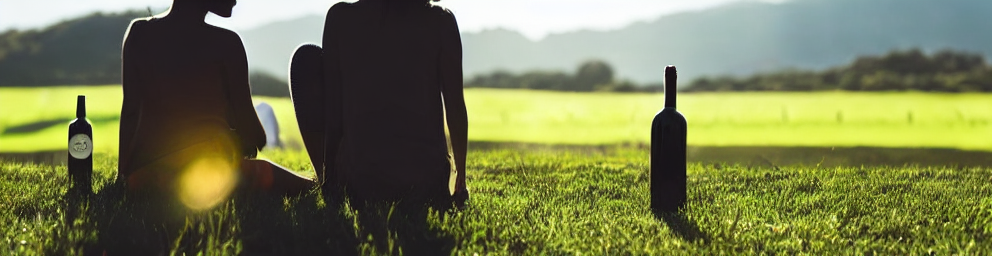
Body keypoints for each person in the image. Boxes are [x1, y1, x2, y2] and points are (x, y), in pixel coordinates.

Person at [118, 0, 314, 200]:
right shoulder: (227, 43)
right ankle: (316, 184)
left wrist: (123, 176)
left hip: (146, 179)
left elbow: (130, 112)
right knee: (304, 185)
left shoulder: (139, 32)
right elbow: (254, 136)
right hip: (201, 174)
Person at [293, 0, 469, 206]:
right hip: (427, 182)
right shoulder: (441, 21)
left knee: (305, 60)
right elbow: (455, 107)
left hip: (361, 182)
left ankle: (324, 178)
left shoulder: (340, 18)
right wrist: (460, 179)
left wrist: (331, 180)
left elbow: (334, 113)